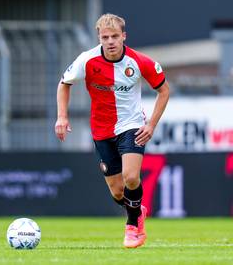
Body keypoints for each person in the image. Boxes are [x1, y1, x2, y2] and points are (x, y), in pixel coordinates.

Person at [54, 13, 170, 248]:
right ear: (99, 38)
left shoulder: (140, 62)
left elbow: (164, 90)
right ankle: (137, 209)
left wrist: (151, 125)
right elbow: (64, 84)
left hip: (131, 125)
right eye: (105, 37)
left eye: (115, 36)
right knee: (118, 192)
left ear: (123, 36)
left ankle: (132, 226)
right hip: (101, 130)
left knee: (131, 177)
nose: (110, 41)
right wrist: (62, 116)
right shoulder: (87, 60)